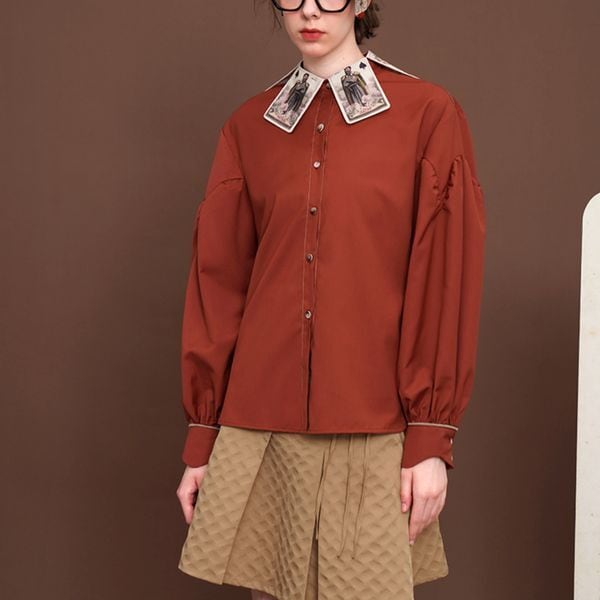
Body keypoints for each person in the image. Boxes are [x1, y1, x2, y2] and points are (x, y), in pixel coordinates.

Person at [176, 0, 486, 598]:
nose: (309, 11)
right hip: (259, 426)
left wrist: (430, 436)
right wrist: (203, 435)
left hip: (374, 423)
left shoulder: (427, 114)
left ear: (363, 1)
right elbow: (218, 283)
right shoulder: (248, 127)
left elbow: (445, 276)